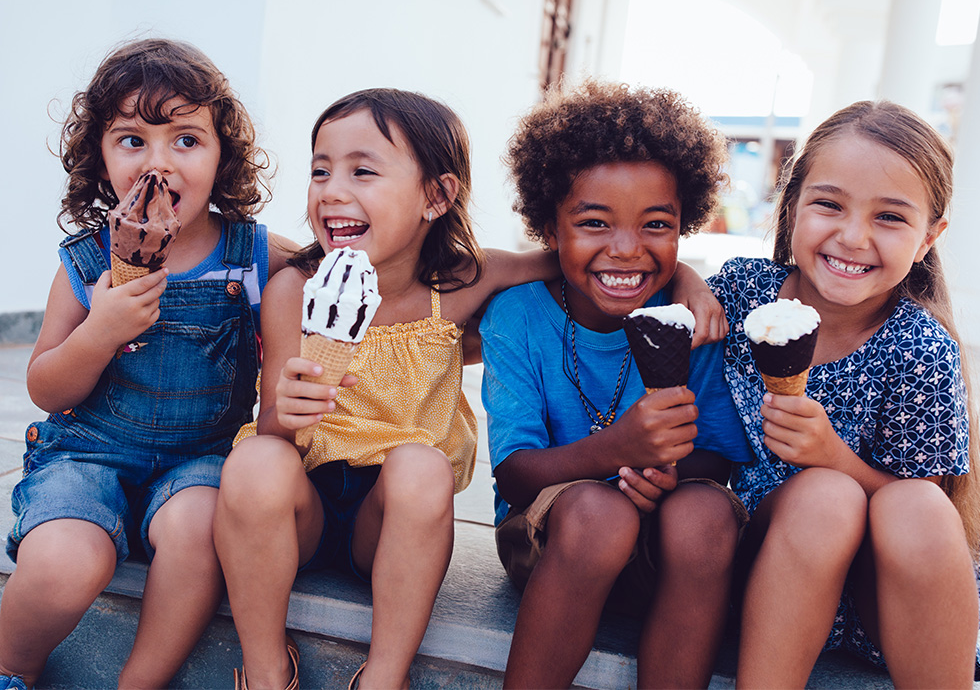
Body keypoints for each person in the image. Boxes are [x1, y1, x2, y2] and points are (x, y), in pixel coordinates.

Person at [212, 87, 726, 690]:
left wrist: (686, 276)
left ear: (437, 196)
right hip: (300, 511)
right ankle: (266, 668)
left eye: (362, 171)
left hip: (392, 520)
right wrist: (283, 415)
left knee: (423, 467)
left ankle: (383, 677)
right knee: (255, 459)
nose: (332, 189)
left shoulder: (463, 283)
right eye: (320, 170)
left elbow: (579, 255)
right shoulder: (294, 291)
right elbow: (273, 421)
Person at [0, 38, 294, 690]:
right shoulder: (85, 263)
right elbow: (46, 383)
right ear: (101, 160)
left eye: (186, 139)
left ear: (223, 157)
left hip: (202, 459)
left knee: (195, 533)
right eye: (132, 139)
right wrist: (97, 333)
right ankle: (9, 667)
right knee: (63, 562)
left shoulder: (253, 253)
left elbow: (342, 277)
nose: (158, 161)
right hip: (87, 452)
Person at [480, 79, 754, 689]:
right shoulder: (519, 317)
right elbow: (514, 473)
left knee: (708, 512)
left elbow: (716, 459)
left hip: (662, 548)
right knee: (600, 515)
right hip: (555, 540)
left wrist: (667, 476)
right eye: (595, 223)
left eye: (656, 224)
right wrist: (617, 451)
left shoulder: (696, 323)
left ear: (685, 226)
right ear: (551, 228)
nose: (627, 250)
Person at [708, 100, 980, 688]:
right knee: (824, 500)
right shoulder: (739, 292)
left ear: (930, 237)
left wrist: (832, 456)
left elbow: (916, 511)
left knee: (918, 505)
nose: (852, 237)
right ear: (793, 206)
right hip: (751, 566)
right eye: (829, 204)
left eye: (890, 218)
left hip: (872, 599)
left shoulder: (922, 348)